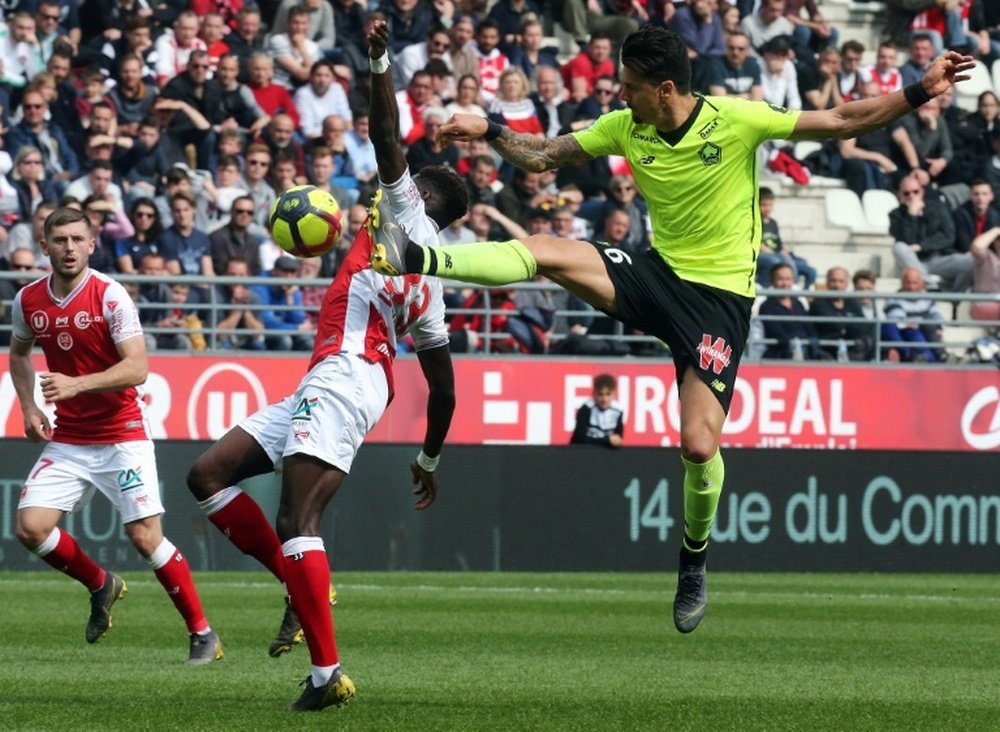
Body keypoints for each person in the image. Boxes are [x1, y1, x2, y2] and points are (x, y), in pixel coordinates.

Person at [372, 24, 974, 634]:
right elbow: (548, 155)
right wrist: (493, 130)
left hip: (717, 304)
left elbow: (844, 120)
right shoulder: (626, 126)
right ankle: (421, 258)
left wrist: (921, 91)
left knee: (698, 446)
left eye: (630, 87)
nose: (621, 95)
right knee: (548, 248)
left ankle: (692, 562)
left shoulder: (736, 120)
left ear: (665, 89)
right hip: (656, 276)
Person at [184, 18, 467, 711]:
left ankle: (325, 675)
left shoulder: (405, 217)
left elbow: (385, 133)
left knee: (297, 524)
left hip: (344, 375)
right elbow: (444, 386)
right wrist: (428, 460)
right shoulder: (432, 281)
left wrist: (376, 61)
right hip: (344, 379)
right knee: (208, 475)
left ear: (422, 192)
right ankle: (297, 584)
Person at [9, 207, 222, 665]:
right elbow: (19, 353)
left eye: (76, 240)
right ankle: (101, 584)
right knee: (30, 528)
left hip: (122, 434)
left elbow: (138, 368)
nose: (68, 248)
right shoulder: (28, 301)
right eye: (59, 240)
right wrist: (28, 406)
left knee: (145, 538)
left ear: (91, 244)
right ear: (44, 245)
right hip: (70, 438)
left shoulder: (110, 296)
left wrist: (76, 384)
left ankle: (202, 633)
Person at [890, 174, 972, 292]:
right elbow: (908, 241)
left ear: (922, 192)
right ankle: (927, 284)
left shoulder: (938, 207)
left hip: (938, 258)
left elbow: (948, 236)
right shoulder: (895, 215)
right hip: (913, 262)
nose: (911, 196)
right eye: (906, 193)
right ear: (900, 195)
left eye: (915, 192)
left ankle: (956, 297)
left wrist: (922, 246)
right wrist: (911, 216)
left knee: (971, 262)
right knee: (899, 247)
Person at [759, 262, 823, 359]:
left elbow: (810, 328)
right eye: (780, 279)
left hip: (807, 351)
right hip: (782, 354)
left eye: (788, 279)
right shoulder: (766, 306)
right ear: (771, 281)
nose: (785, 283)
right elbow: (776, 333)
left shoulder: (799, 304)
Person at [808, 266, 874, 360]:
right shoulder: (818, 303)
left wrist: (845, 325)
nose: (837, 285)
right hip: (827, 352)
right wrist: (849, 322)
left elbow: (863, 326)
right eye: (833, 281)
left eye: (841, 281)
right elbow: (835, 325)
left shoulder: (852, 302)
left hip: (852, 351)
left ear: (846, 284)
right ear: (827, 282)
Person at [571, 373, 624, 447]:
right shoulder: (586, 409)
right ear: (594, 394)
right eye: (600, 394)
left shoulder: (618, 411)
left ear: (613, 394)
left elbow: (617, 439)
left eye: (608, 394)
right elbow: (579, 439)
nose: (604, 399)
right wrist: (607, 440)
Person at [969, 224, 1000, 322]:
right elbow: (977, 246)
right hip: (983, 305)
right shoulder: (987, 257)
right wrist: (996, 230)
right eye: (998, 239)